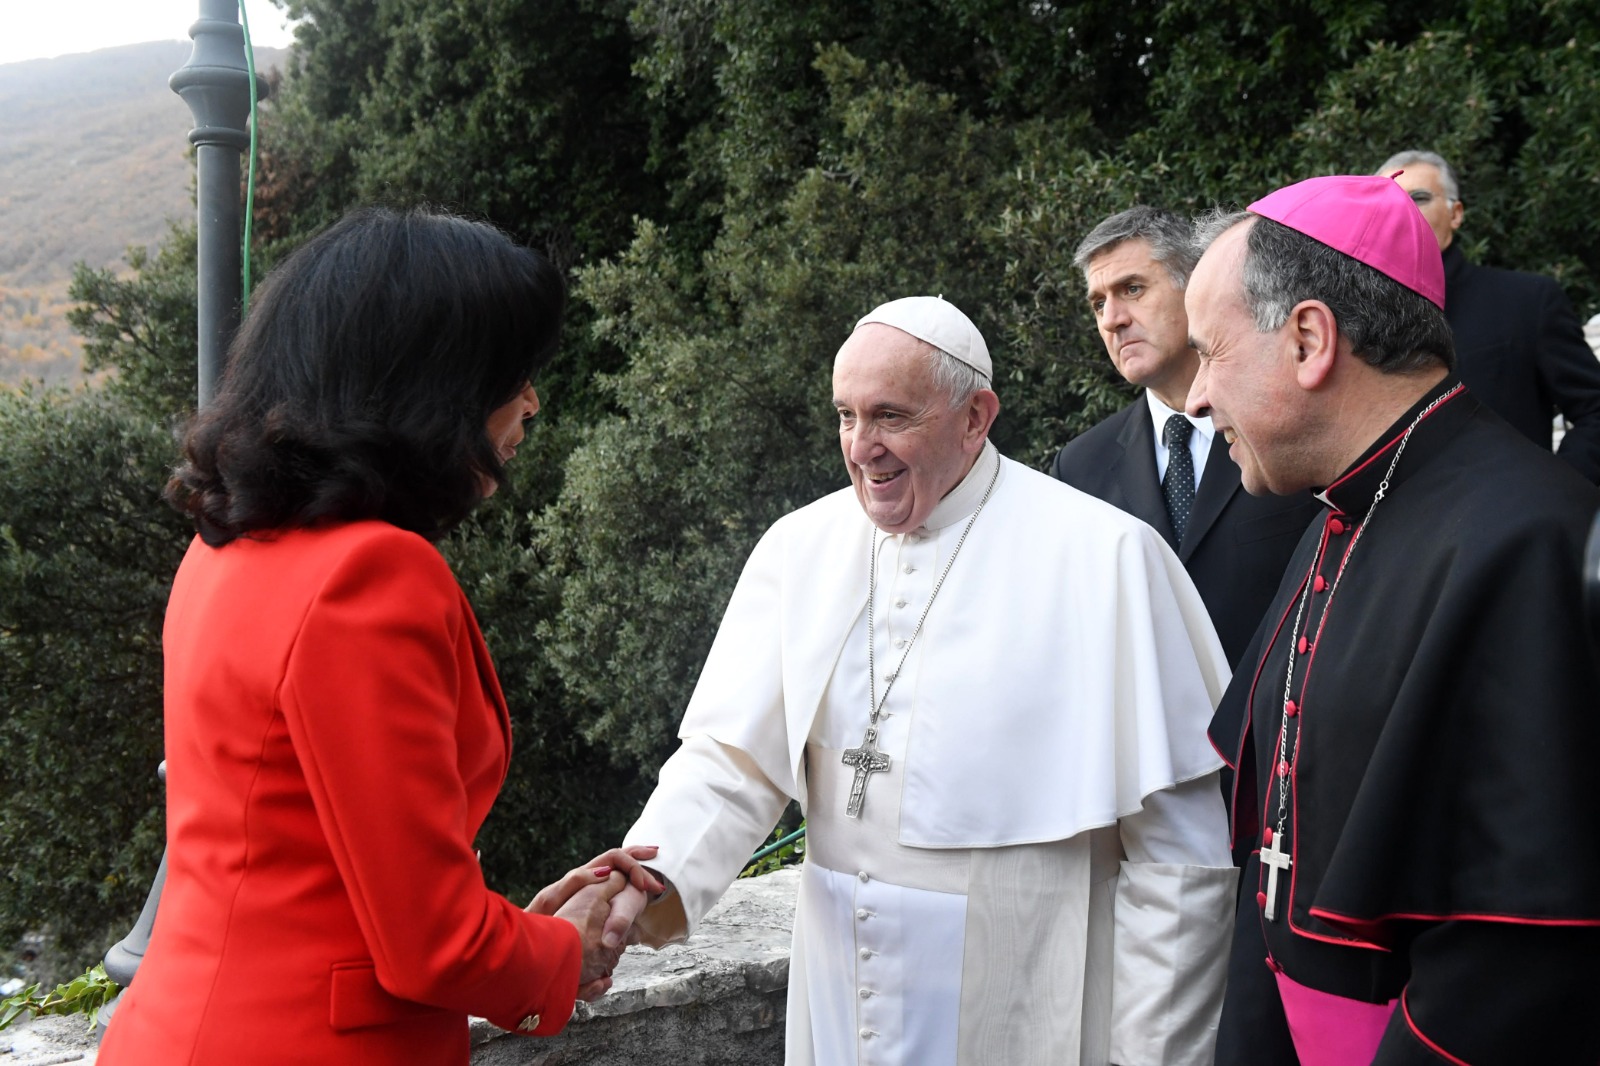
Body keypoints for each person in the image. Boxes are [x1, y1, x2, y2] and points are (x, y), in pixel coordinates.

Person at [97, 207, 662, 1065]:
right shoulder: (371, 575)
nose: (532, 401)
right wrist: (567, 952)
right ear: (436, 383)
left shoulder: (224, 553)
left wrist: (517, 930)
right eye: (513, 373)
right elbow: (432, 945)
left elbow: (310, 869)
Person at [611, 296, 1238, 1065]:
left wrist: (1153, 1058)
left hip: (1022, 994)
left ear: (976, 417)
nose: (861, 447)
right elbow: (730, 763)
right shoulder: (798, 550)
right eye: (846, 416)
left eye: (890, 417)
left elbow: (1179, 863)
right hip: (841, 989)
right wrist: (643, 881)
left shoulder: (1107, 557)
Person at [1185, 175, 1600, 1064]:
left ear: (1309, 340)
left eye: (1210, 353)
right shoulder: (1336, 515)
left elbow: (1521, 943)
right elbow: (1275, 854)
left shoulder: (1530, 541)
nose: (1196, 398)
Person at [1050, 206, 1319, 667]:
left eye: (1132, 289)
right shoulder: (1077, 469)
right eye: (1098, 303)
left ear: (1195, 286)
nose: (1112, 319)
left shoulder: (1289, 421)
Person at [1376, 149, 1600, 482]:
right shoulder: (1357, 321)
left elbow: (1595, 411)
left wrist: (1557, 487)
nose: (1403, 210)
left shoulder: (1527, 302)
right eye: (1387, 202)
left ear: (1456, 213)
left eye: (1418, 198)